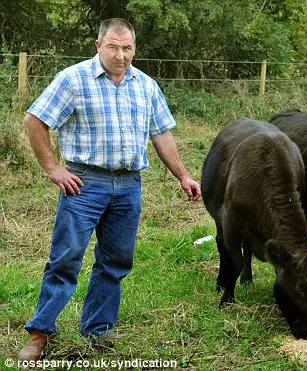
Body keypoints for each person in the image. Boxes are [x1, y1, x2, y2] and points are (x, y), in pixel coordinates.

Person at [18, 18, 201, 361]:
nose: (121, 55)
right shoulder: (73, 80)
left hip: (129, 185)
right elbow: (35, 120)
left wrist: (183, 175)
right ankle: (40, 331)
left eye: (127, 47)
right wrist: (53, 167)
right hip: (84, 184)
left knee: (115, 261)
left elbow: (161, 134)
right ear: (99, 46)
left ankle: (98, 328)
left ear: (134, 48)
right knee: (66, 258)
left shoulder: (145, 86)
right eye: (113, 47)